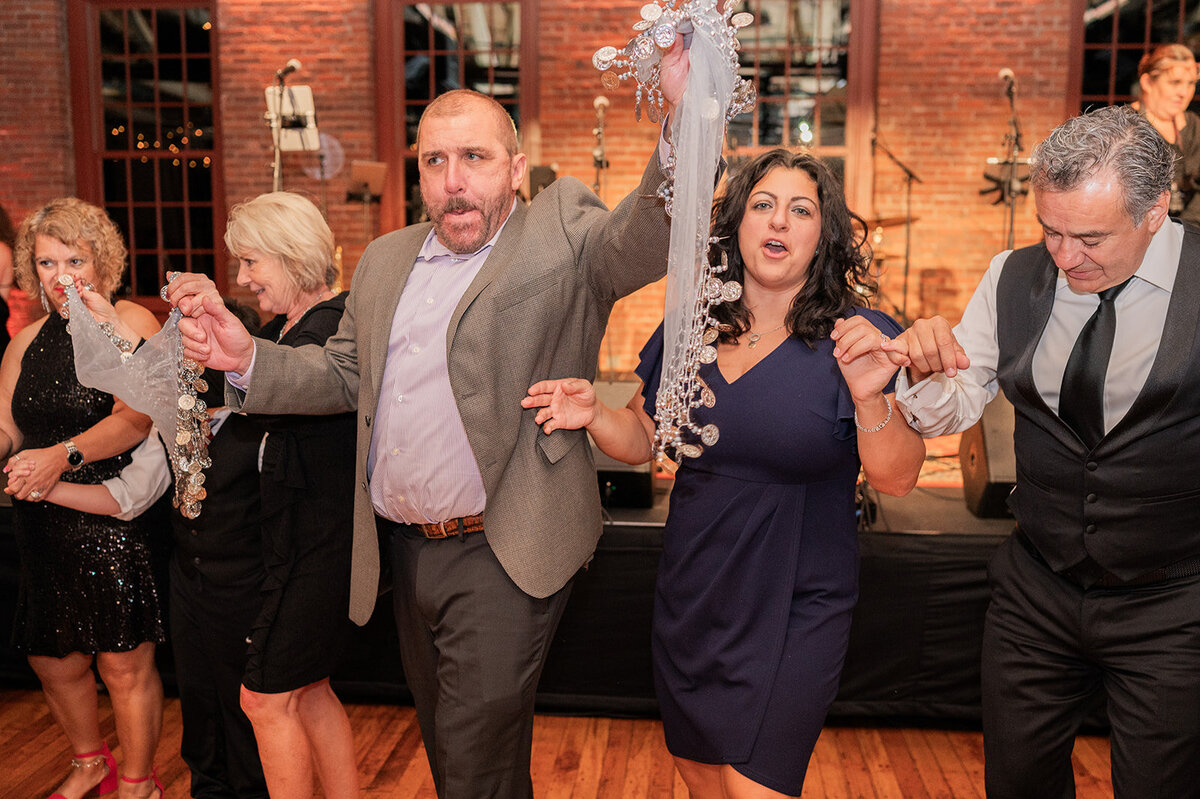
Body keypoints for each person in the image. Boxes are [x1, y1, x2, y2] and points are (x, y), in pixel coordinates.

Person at [164, 39, 690, 797]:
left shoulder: (560, 229)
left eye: (474, 157)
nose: (454, 181)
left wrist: (677, 116)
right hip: (404, 555)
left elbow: (644, 234)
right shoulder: (384, 259)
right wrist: (246, 357)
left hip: (505, 544)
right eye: (435, 162)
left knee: (471, 750)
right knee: (461, 750)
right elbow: (341, 373)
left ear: (514, 168)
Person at [522, 149, 926, 798]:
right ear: (736, 223)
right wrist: (593, 412)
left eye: (801, 210)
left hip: (801, 595)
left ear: (824, 234)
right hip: (697, 586)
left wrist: (871, 397)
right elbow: (644, 437)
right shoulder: (693, 331)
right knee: (704, 772)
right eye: (763, 205)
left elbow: (899, 478)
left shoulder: (859, 335)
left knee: (753, 782)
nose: (779, 221)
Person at [884, 104, 1200, 798]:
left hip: (1173, 605)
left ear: (1156, 212)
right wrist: (924, 371)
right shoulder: (1013, 275)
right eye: (1049, 230)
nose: (1063, 256)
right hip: (1036, 595)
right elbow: (952, 405)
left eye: (1089, 236)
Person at [1, 197, 166, 799]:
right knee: (53, 659)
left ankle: (139, 782)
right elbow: (7, 431)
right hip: (40, 523)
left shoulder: (130, 321)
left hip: (110, 519)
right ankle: (89, 763)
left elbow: (137, 420)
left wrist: (61, 456)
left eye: (75, 258)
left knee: (122, 663)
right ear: (31, 270)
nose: (61, 274)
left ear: (104, 262)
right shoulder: (23, 343)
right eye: (47, 262)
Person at [220, 192, 357, 799]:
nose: (242, 278)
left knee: (265, 697)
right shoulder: (284, 329)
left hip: (322, 545)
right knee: (310, 687)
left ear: (292, 256)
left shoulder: (332, 329)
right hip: (298, 540)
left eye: (251, 262)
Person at [167, 302, 269, 799]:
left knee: (243, 705)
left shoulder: (263, 426)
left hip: (244, 584)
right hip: (189, 579)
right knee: (197, 698)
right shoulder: (181, 424)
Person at [1131, 43, 1200, 225]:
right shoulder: (1127, 125)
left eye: (1191, 83)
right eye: (1175, 82)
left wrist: (1185, 234)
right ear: (1147, 83)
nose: (1183, 93)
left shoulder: (1193, 125)